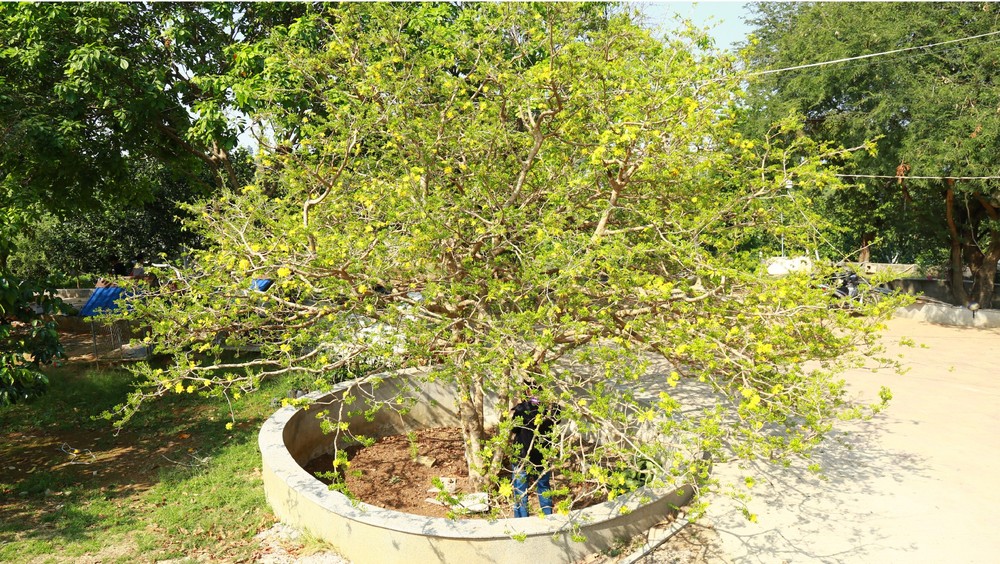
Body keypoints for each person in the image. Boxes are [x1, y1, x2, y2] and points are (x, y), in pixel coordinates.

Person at [510, 395, 556, 517]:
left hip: (522, 455)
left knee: (520, 490)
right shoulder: (553, 408)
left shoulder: (522, 409)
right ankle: (548, 517)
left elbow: (514, 428)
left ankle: (522, 520)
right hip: (542, 455)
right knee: (544, 487)